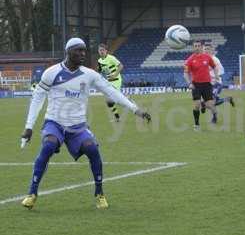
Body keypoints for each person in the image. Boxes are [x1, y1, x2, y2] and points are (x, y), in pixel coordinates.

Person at [20, 38, 151, 210]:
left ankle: (99, 193)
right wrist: (29, 127)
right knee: (48, 146)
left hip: (78, 126)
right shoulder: (51, 73)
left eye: (84, 51)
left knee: (92, 148)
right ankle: (32, 193)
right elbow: (38, 98)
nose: (82, 54)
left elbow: (112, 91)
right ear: (68, 52)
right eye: (78, 50)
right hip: (55, 122)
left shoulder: (90, 75)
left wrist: (135, 110)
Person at [184, 40, 219, 130]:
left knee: (210, 105)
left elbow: (214, 67)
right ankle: (197, 124)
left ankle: (215, 114)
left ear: (201, 46)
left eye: (198, 46)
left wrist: (216, 76)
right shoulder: (190, 60)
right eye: (195, 46)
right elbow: (186, 73)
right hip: (196, 85)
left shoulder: (207, 57)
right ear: (193, 47)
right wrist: (189, 83)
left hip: (207, 84)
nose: (197, 47)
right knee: (197, 104)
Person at [200, 44, 234, 113]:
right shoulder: (202, 59)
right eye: (205, 49)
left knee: (211, 102)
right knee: (207, 102)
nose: (206, 50)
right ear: (203, 50)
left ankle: (214, 118)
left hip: (216, 83)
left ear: (211, 50)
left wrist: (215, 77)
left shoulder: (215, 60)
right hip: (206, 84)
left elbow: (221, 71)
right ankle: (227, 99)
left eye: (208, 49)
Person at [97, 43, 124, 122]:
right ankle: (117, 118)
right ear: (98, 51)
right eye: (100, 50)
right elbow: (100, 72)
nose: (101, 51)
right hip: (109, 81)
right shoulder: (99, 61)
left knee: (113, 98)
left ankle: (127, 100)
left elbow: (121, 66)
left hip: (116, 80)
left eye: (103, 50)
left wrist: (115, 75)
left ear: (106, 51)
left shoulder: (111, 58)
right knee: (109, 102)